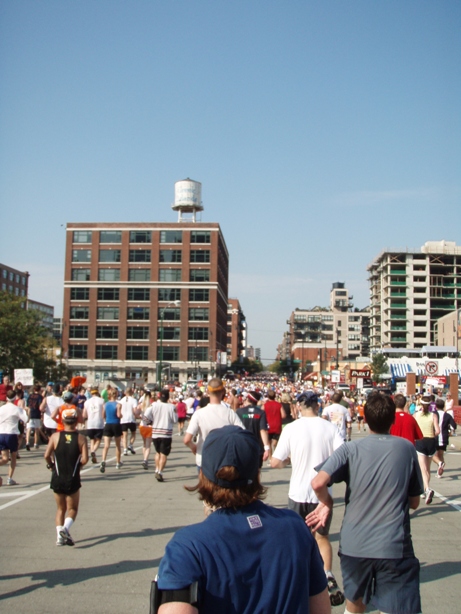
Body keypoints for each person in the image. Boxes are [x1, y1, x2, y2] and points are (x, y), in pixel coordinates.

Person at [155, 425, 330, 614]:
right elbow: (320, 607)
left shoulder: (188, 545)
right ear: (257, 474)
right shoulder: (295, 527)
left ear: (203, 475)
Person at [306, 392, 424, 614]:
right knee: (397, 606)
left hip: (354, 544)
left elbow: (318, 482)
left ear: (366, 419)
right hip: (393, 544)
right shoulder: (406, 449)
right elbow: (415, 502)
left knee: (355, 604)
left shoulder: (351, 449)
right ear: (393, 419)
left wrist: (327, 502)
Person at [271, 390, 345, 606]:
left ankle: (301, 580)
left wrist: (290, 461)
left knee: (298, 539)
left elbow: (276, 462)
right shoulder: (329, 428)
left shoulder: (292, 428)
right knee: (322, 537)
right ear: (318, 406)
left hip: (298, 493)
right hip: (322, 494)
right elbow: (342, 457)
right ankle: (328, 574)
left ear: (298, 407)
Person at [44, 407, 88, 546]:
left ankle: (59, 537)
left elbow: (46, 455)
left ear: (62, 421)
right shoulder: (81, 438)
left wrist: (51, 465)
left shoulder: (55, 437)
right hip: (72, 477)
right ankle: (65, 529)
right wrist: (79, 466)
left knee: (60, 509)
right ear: (76, 421)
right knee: (73, 509)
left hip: (57, 476)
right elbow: (85, 459)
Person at [184, 378, 244, 469]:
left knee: (204, 483)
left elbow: (187, 440)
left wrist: (194, 448)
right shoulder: (230, 413)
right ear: (223, 392)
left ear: (207, 392)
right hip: (225, 460)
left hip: (204, 459)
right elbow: (243, 434)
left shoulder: (199, 413)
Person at [144, 389, 178, 482]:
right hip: (166, 432)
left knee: (157, 452)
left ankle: (156, 469)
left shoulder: (154, 405)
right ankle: (160, 472)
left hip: (155, 432)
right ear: (168, 397)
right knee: (164, 454)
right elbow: (175, 420)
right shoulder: (172, 407)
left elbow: (145, 415)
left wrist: (150, 422)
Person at [414, 394, 440, 504]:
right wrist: (432, 434)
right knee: (427, 468)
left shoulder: (416, 415)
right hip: (431, 441)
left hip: (420, 440)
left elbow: (413, 428)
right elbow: (438, 431)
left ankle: (427, 489)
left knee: (422, 468)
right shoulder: (433, 415)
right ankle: (425, 489)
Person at [0, 390, 29, 485]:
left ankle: (9, 478)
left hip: (1, 433)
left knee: (4, 458)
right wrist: (27, 411)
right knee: (13, 457)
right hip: (11, 434)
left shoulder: (1, 408)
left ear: (6, 398)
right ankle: (9, 478)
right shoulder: (17, 409)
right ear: (15, 397)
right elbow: (26, 420)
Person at [236, 391, 270, 466]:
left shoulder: (239, 412)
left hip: (242, 445)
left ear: (248, 399)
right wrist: (266, 447)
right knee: (256, 470)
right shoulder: (261, 412)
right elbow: (263, 430)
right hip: (257, 446)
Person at [432, 397, 457, 478]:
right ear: (443, 406)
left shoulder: (433, 414)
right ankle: (439, 473)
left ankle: (440, 464)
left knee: (432, 455)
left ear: (436, 406)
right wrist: (450, 431)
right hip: (444, 437)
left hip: (435, 437)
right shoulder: (447, 415)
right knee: (441, 454)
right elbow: (454, 426)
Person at [100, 389, 122, 473]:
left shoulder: (105, 404)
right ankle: (118, 462)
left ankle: (103, 460)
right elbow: (118, 415)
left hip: (108, 424)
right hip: (116, 424)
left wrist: (107, 419)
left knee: (106, 445)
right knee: (117, 445)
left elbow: (103, 415)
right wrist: (121, 416)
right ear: (116, 395)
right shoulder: (118, 404)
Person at [82, 387, 105, 464]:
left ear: (91, 393)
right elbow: (103, 413)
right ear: (98, 392)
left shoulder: (87, 402)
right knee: (98, 440)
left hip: (90, 423)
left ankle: (93, 454)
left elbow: (84, 414)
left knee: (92, 440)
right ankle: (93, 451)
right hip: (99, 423)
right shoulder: (101, 401)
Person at [262, 390, 285, 459]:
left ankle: (271, 458)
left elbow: (260, 413)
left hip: (268, 425)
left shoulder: (265, 405)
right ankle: (277, 456)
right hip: (277, 425)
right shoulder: (279, 405)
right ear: (275, 396)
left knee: (268, 443)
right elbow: (283, 415)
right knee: (275, 443)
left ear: (268, 396)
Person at [137, 390, 153, 469]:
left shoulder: (141, 405)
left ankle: (144, 458)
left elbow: (137, 413)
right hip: (149, 427)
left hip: (142, 426)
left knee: (144, 444)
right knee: (148, 445)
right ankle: (145, 460)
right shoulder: (151, 405)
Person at [120, 388, 138, 456]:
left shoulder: (121, 400)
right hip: (131, 419)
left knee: (124, 435)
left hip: (123, 419)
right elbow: (135, 410)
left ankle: (125, 449)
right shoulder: (134, 400)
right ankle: (130, 445)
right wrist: (136, 415)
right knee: (133, 433)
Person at [26, 383, 44, 450]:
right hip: (37, 413)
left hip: (30, 413)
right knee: (36, 429)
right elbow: (40, 405)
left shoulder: (30, 396)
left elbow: (27, 404)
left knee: (29, 429)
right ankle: (35, 443)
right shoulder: (40, 397)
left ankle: (27, 442)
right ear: (39, 390)